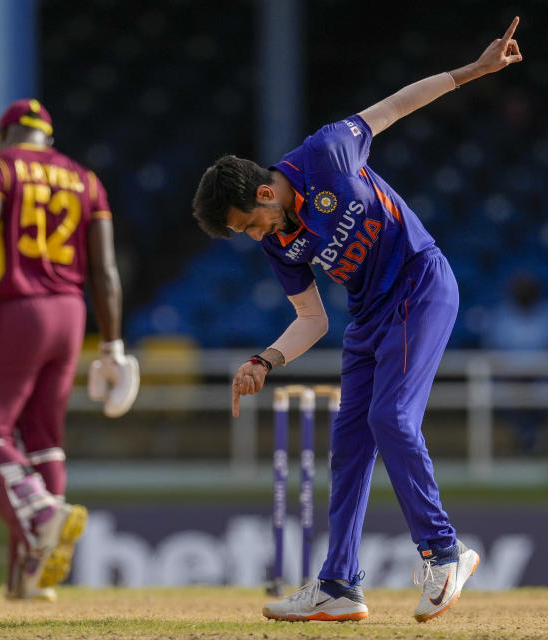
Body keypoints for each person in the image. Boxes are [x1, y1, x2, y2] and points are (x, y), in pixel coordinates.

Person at [192, 17, 523, 623]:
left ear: (264, 194)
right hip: (368, 316)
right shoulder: (277, 245)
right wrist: (264, 360)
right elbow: (311, 319)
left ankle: (445, 552)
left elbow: (399, 104)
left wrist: (476, 70)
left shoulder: (327, 152)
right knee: (349, 448)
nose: (254, 237)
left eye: (248, 225)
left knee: (391, 417)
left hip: (420, 284)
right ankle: (339, 586)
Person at [0, 99, 138, 601]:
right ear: (48, 140)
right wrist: (114, 346)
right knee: (43, 440)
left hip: (16, 307)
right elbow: (105, 271)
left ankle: (41, 514)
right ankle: (30, 576)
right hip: (71, 315)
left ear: (4, 135)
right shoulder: (86, 179)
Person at [483, 271, 548, 453]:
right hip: (509, 382)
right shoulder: (501, 316)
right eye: (520, 288)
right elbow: (492, 355)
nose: (524, 292)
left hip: (543, 380)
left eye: (528, 288)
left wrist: (539, 373)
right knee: (497, 394)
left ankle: (534, 437)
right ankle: (523, 436)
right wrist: (511, 378)